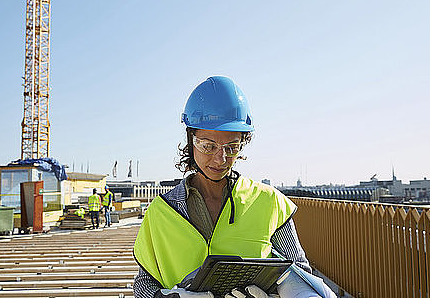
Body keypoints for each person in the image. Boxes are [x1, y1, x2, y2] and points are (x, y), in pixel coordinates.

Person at [133, 76, 336, 298]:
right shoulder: (161, 212)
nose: (220, 159)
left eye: (232, 147)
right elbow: (144, 282)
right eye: (208, 146)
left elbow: (299, 272)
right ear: (191, 139)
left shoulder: (269, 202)